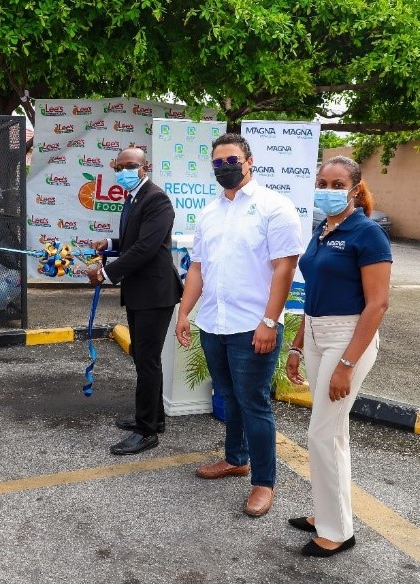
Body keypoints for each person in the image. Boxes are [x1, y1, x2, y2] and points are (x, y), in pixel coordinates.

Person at [175, 133, 303, 517]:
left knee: (255, 404)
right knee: (229, 398)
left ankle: (264, 483)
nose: (225, 168)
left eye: (232, 160)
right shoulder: (209, 212)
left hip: (254, 326)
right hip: (214, 323)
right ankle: (236, 458)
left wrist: (269, 321)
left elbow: (286, 267)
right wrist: (185, 313)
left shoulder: (274, 207)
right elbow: (198, 268)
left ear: (249, 161)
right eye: (218, 163)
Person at [285, 156, 391, 557]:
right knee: (334, 434)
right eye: (321, 182)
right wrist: (297, 344)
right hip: (314, 332)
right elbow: (312, 296)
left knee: (322, 433)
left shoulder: (367, 233)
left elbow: (378, 304)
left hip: (348, 339)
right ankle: (327, 511)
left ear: (353, 188)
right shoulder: (322, 230)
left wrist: (347, 363)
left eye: (336, 184)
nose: (326, 190)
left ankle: (337, 531)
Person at [87, 146, 183, 455]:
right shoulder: (133, 198)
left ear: (145, 167)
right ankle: (155, 418)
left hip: (155, 293)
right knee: (146, 359)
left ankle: (147, 432)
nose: (125, 170)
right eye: (120, 166)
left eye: (132, 165)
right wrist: (112, 244)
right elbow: (133, 241)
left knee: (147, 360)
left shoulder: (157, 199)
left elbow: (145, 248)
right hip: (141, 291)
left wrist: (104, 272)